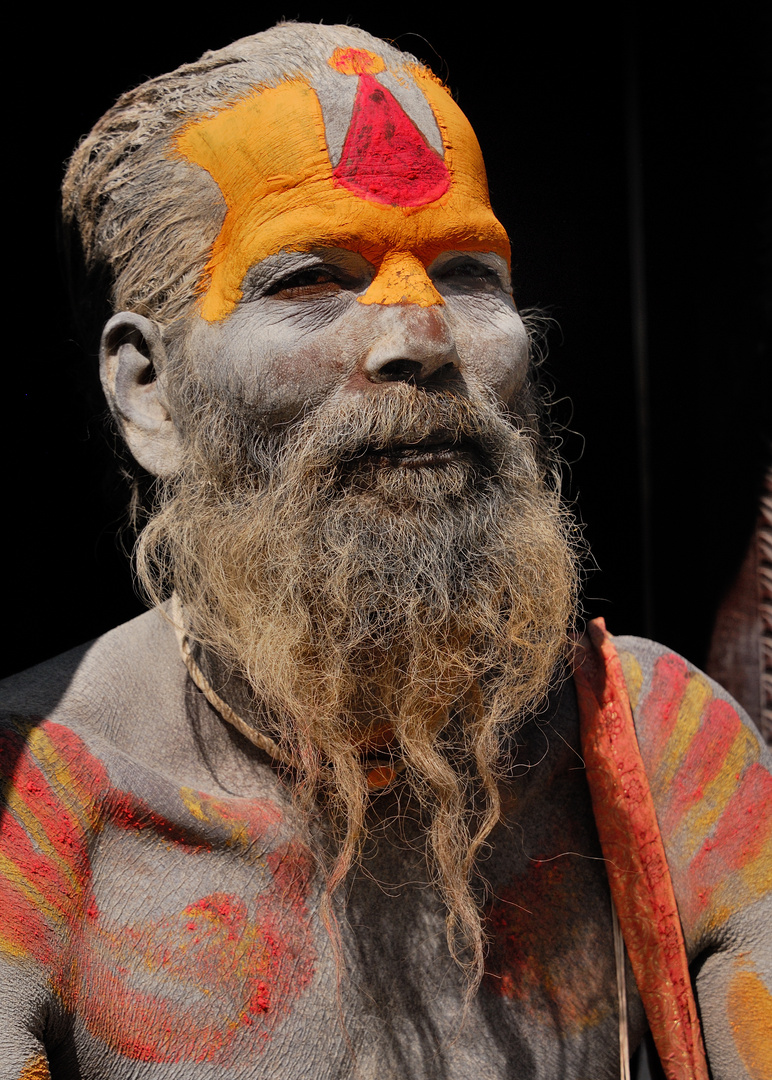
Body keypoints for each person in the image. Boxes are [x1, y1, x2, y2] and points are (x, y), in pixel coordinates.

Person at [1, 23, 769, 1080]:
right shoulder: (34, 809)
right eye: (310, 277)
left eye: (465, 271)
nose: (419, 334)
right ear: (150, 391)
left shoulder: (661, 749)